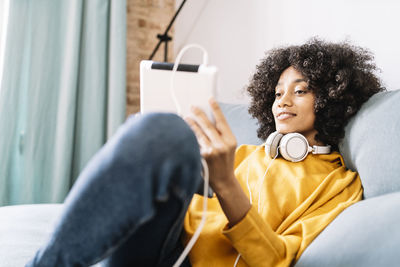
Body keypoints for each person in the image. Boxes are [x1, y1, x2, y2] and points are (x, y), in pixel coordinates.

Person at [26, 38, 384, 267]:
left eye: (300, 91)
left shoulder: (340, 185)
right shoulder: (241, 153)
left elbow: (276, 260)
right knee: (163, 130)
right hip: (158, 242)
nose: (283, 102)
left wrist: (226, 184)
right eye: (276, 93)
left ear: (331, 99)